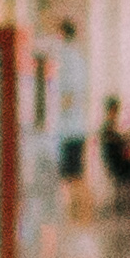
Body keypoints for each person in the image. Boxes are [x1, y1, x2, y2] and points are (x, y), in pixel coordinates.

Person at [53, 15, 88, 190]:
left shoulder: (65, 57)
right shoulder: (78, 57)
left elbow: (68, 94)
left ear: (61, 33)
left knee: (69, 178)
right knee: (74, 177)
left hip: (66, 129)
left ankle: (75, 206)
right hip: (76, 127)